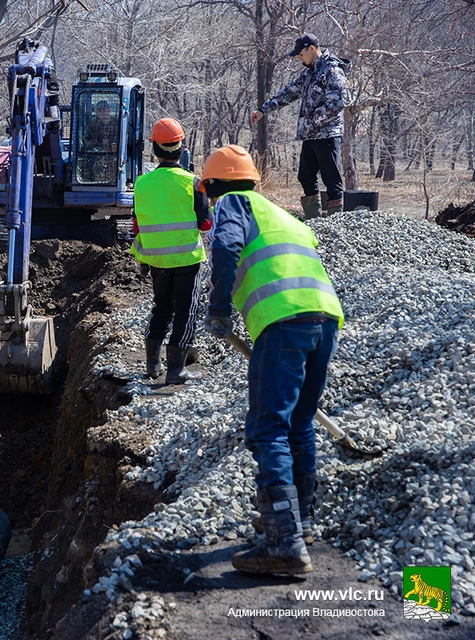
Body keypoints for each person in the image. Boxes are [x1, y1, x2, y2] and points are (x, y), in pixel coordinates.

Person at [200, 145, 345, 575]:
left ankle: (283, 543)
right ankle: (301, 522)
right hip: (325, 318)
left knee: (268, 428)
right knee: (299, 423)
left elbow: (225, 248)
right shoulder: (282, 214)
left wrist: (219, 308)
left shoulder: (232, 203)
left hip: (282, 322)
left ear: (215, 185)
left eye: (208, 190)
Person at [130, 118, 212, 383]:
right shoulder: (193, 182)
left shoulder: (142, 184)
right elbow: (206, 223)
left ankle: (153, 365)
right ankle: (176, 370)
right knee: (186, 310)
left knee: (161, 307)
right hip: (187, 259)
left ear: (154, 149)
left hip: (156, 260)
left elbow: (137, 225)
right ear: (181, 147)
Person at [251, 33, 350, 219]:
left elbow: (338, 101)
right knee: (305, 176)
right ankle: (314, 220)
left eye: (301, 54)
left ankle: (337, 222)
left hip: (328, 134)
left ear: (312, 49)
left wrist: (314, 120)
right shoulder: (309, 72)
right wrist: (263, 110)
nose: (299, 58)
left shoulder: (332, 70)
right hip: (311, 135)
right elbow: (288, 93)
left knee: (331, 179)